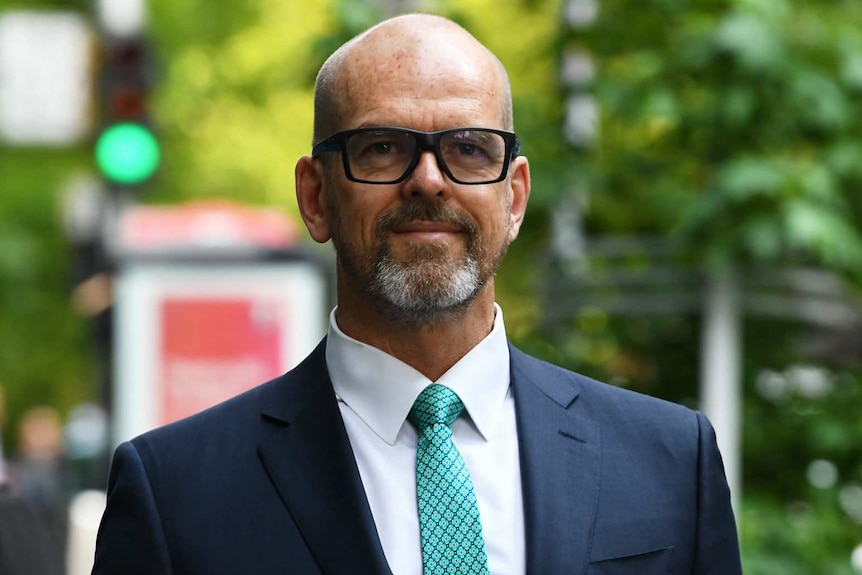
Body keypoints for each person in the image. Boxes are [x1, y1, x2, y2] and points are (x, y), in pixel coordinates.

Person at [92, 13, 743, 575]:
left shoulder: (666, 461)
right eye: (381, 148)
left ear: (513, 197)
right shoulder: (176, 491)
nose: (429, 180)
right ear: (316, 197)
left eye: (467, 147)